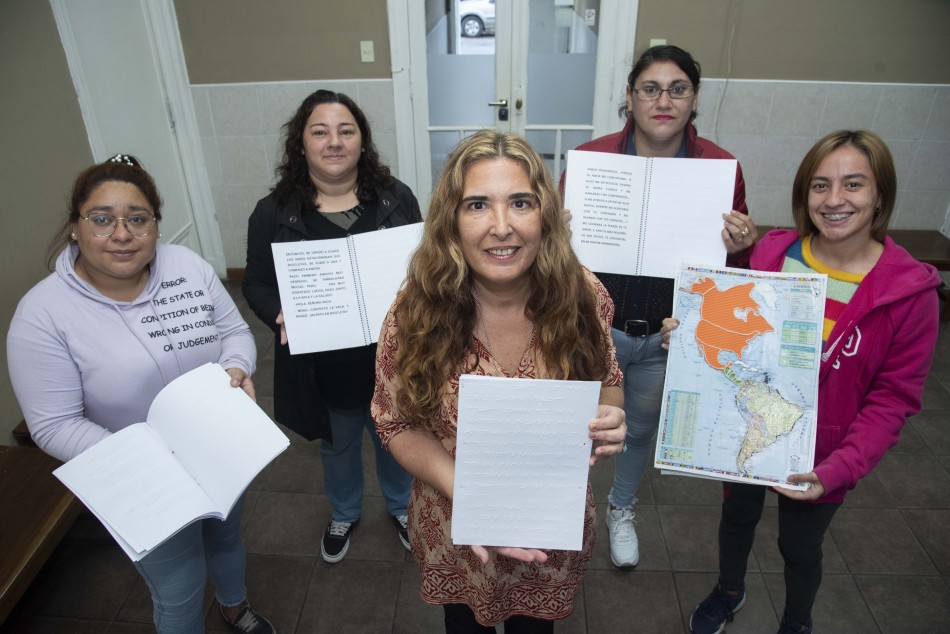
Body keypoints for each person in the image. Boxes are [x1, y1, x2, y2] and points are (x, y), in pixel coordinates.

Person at [679, 130, 941, 634]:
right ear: (804, 195)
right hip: (749, 425)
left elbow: (892, 400)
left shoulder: (909, 295)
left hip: (828, 456)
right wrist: (690, 335)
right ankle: (729, 591)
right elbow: (733, 327)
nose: (835, 200)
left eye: (854, 185)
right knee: (736, 520)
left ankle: (797, 621)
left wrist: (840, 468)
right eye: (820, 186)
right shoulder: (771, 257)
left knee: (800, 547)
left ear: (880, 195)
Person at [372, 129, 628, 632]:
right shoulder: (415, 311)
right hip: (456, 525)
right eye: (477, 206)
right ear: (451, 220)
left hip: (550, 529)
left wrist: (611, 414)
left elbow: (607, 381)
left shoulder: (583, 294)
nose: (502, 226)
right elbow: (396, 422)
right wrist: (469, 494)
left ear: (545, 214)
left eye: (520, 202)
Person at [7, 155, 274, 634]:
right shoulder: (42, 315)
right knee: (179, 586)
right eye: (102, 219)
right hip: (138, 472)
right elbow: (53, 423)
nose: (122, 233)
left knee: (225, 534)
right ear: (74, 227)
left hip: (216, 445)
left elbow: (233, 331)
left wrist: (236, 368)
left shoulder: (187, 267)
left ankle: (235, 608)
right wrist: (145, 455)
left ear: (155, 225)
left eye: (137, 218)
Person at [560, 44, 756, 568]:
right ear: (630, 97)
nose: (663, 100)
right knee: (571, 426)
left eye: (678, 89)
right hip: (591, 330)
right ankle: (557, 511)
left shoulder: (719, 168)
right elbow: (552, 257)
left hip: (667, 337)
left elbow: (730, 276)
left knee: (638, 430)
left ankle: (620, 508)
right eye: (650, 88)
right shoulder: (593, 160)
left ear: (694, 100)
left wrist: (742, 248)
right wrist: (556, 234)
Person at [243, 90, 419, 563]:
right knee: (339, 448)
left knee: (396, 440)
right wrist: (278, 313)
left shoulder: (397, 199)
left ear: (363, 141)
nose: (334, 141)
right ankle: (345, 511)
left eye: (346, 130)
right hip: (324, 366)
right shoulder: (272, 213)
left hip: (394, 361)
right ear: (301, 145)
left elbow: (426, 271)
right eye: (319, 131)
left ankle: (403, 507)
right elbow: (256, 284)